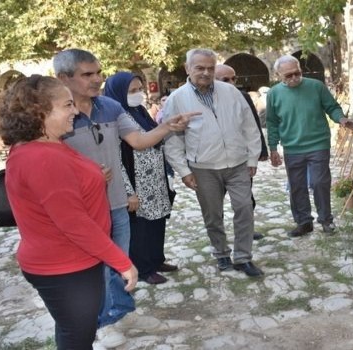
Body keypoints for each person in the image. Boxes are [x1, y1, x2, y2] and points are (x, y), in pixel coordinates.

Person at [53, 48, 192, 346]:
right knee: (91, 273)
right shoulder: (53, 117)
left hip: (115, 205)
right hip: (79, 210)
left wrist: (168, 126)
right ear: (64, 78)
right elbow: (44, 161)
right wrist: (85, 177)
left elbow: (140, 141)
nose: (97, 80)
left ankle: (118, 314)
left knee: (118, 264)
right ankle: (99, 322)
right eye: (87, 74)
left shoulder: (110, 107)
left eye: (99, 72)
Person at [0, 75, 138, 349]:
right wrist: (122, 262)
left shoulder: (40, 146)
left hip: (65, 261)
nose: (75, 111)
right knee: (77, 336)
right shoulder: (43, 157)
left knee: (74, 332)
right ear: (40, 111)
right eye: (67, 105)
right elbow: (73, 223)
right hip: (66, 265)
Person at [163, 48, 263, 277]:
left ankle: (243, 257)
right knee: (213, 214)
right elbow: (172, 139)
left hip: (237, 164)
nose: (206, 72)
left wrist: (252, 157)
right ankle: (221, 253)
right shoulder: (178, 99)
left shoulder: (231, 92)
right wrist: (184, 171)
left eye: (210, 68)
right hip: (203, 168)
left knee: (245, 208)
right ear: (188, 69)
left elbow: (249, 126)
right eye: (200, 68)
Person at [266, 55, 353, 237]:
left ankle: (326, 220)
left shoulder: (316, 87)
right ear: (278, 75)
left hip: (318, 143)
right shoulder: (274, 94)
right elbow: (272, 122)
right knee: (297, 186)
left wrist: (341, 119)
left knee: (319, 183)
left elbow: (331, 107)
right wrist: (273, 148)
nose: (294, 78)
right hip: (292, 147)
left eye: (297, 73)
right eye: (288, 76)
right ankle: (304, 222)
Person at [104, 72, 178, 285]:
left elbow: (155, 138)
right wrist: (128, 191)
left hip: (155, 178)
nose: (138, 94)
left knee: (157, 221)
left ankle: (156, 259)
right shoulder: (115, 118)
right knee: (141, 227)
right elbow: (116, 158)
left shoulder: (140, 112)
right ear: (118, 93)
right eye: (132, 91)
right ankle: (144, 268)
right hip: (136, 180)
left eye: (139, 89)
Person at [215, 64, 268, 241]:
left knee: (246, 198)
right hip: (213, 161)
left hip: (241, 158)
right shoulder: (206, 98)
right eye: (225, 80)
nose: (231, 82)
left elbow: (253, 125)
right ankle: (219, 233)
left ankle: (247, 229)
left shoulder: (242, 96)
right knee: (215, 202)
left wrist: (261, 150)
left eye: (233, 79)